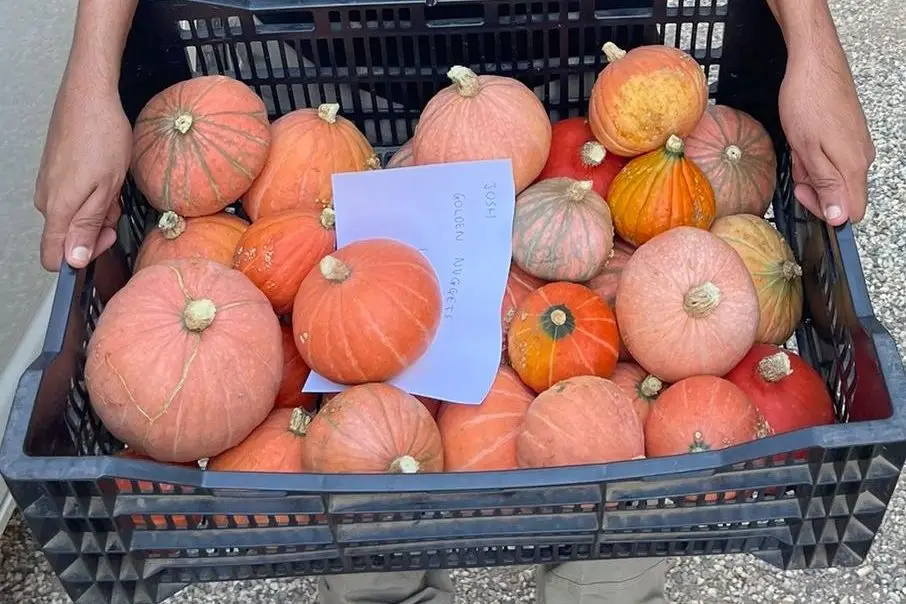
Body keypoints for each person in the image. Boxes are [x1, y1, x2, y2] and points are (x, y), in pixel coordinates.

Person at [31, 1, 874, 602]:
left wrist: (813, 40)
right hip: (339, 72)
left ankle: (602, 581)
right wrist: (91, 75)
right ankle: (383, 581)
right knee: (362, 477)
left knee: (616, 504)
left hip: (586, 74)